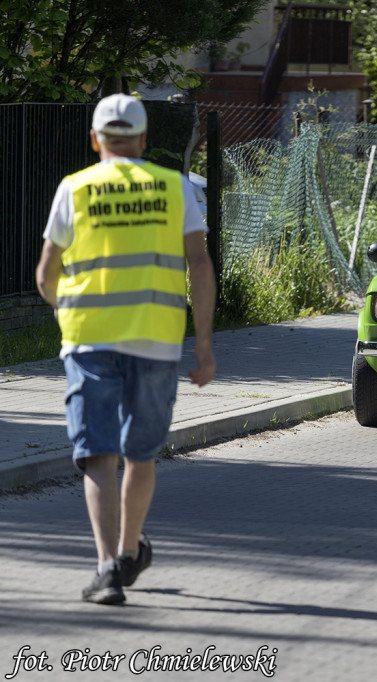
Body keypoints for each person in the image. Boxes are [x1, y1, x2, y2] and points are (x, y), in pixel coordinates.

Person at [35, 93, 216, 605]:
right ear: (141, 140)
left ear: (96, 140)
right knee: (140, 455)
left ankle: (109, 569)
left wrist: (63, 312)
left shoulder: (75, 189)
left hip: (89, 341)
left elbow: (46, 272)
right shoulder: (174, 187)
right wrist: (204, 346)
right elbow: (199, 266)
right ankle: (131, 547)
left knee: (98, 455)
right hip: (157, 344)